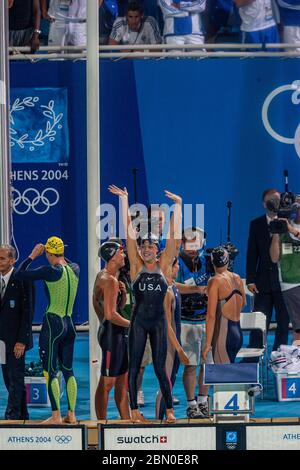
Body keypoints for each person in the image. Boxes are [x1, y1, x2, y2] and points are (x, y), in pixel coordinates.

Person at [109, 184, 182, 424]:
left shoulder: (164, 267)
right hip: (139, 322)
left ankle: (169, 410)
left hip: (158, 322)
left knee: (161, 369)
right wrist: (125, 200)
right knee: (134, 366)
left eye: (151, 246)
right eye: (144, 247)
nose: (147, 249)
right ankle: (134, 411)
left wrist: (178, 207)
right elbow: (129, 233)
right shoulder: (136, 266)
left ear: (157, 250)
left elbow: (173, 237)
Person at [15, 236, 79, 424]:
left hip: (53, 324)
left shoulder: (49, 271)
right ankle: (72, 415)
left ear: (49, 253)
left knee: (50, 370)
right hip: (70, 325)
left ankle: (56, 416)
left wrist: (32, 256)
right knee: (68, 370)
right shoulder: (75, 269)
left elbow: (19, 274)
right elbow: (65, 261)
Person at [246, 189, 290, 353]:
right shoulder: (256, 224)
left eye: (278, 199)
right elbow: (252, 253)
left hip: (284, 282)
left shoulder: (288, 224)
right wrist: (250, 279)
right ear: (264, 204)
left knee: (283, 321)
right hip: (262, 283)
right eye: (271, 200)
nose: (275, 203)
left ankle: (281, 355)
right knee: (259, 321)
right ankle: (253, 356)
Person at [177, 227, 212, 419]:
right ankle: (191, 404)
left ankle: (203, 401)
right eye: (188, 243)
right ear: (182, 243)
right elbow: (172, 285)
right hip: (185, 321)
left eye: (195, 243)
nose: (192, 247)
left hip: (206, 320)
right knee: (190, 365)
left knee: (207, 365)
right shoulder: (177, 262)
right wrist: (197, 289)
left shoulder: (207, 261)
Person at [93, 239, 131, 420]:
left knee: (123, 382)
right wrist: (134, 325)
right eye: (121, 253)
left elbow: (116, 307)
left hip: (115, 333)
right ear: (112, 256)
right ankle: (101, 424)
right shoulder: (109, 280)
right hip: (111, 334)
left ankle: (125, 421)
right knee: (107, 382)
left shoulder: (108, 277)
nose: (123, 256)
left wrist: (122, 294)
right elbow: (110, 314)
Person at [0, 245, 34, 420]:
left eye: (2, 258)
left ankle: (11, 416)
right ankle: (23, 415)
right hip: (1, 341)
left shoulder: (22, 279)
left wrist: (22, 340)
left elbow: (28, 313)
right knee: (8, 378)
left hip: (16, 342)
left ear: (12, 260)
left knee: (16, 378)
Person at [155, 257, 189, 420]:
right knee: (165, 383)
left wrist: (198, 289)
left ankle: (163, 418)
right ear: (169, 267)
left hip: (174, 343)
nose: (178, 268)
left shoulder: (173, 286)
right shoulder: (166, 291)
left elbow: (182, 288)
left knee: (170, 380)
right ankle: (158, 421)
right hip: (167, 343)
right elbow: (167, 324)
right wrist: (179, 349)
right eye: (176, 265)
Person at [202, 246, 246, 363]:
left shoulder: (214, 281)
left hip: (223, 336)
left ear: (212, 262)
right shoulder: (237, 278)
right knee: (229, 374)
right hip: (238, 334)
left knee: (223, 377)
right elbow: (243, 304)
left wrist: (207, 345)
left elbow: (211, 316)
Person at [270, 201, 300, 342]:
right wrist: (276, 234)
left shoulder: (290, 228)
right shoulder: (282, 227)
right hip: (291, 284)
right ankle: (296, 361)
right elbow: (275, 258)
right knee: (298, 328)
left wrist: (292, 230)